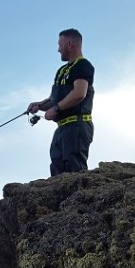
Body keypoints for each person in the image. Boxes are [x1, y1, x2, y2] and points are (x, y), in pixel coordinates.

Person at [27, 28, 95, 176]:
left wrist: (56, 109)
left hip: (77, 126)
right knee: (57, 172)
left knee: (75, 172)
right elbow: (53, 99)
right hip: (61, 129)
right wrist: (39, 106)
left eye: (60, 45)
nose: (58, 49)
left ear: (70, 44)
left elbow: (79, 94)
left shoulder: (83, 65)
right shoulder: (61, 71)